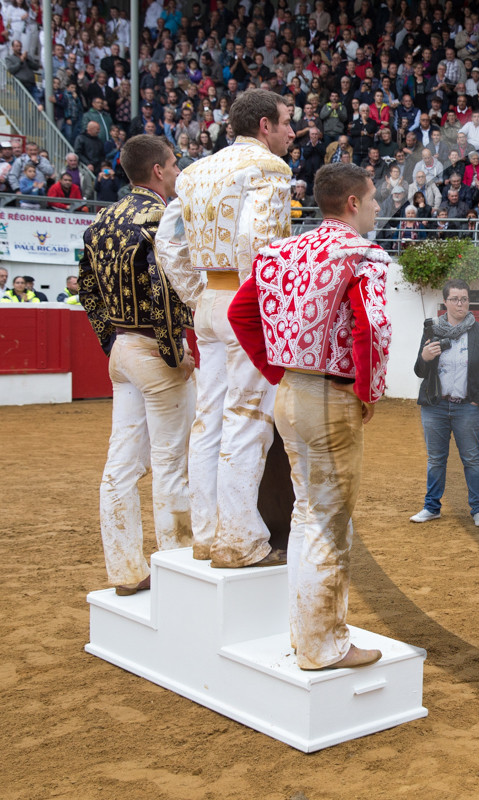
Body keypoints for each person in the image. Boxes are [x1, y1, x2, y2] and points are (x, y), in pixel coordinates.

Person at [227, 162, 392, 671]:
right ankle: (324, 645)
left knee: (305, 513)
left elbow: (239, 313)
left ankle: (306, 633)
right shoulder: (363, 254)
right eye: (372, 199)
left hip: (292, 396)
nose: (376, 207)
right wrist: (369, 392)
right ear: (351, 204)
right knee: (329, 522)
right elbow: (374, 328)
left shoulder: (279, 251)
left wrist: (278, 372)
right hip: (330, 397)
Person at [155, 88, 295, 567]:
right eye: (286, 122)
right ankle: (240, 539)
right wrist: (259, 304)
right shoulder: (271, 170)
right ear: (263, 126)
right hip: (244, 300)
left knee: (208, 417)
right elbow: (260, 240)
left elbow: (168, 244)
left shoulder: (193, 172)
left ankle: (207, 532)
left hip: (209, 303)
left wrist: (198, 294)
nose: (291, 132)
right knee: (248, 416)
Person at [77, 135, 194, 597]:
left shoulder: (101, 220)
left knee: (120, 467)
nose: (178, 170)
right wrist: (172, 351)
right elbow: (162, 289)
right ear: (159, 171)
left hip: (122, 352)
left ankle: (126, 572)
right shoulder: (159, 218)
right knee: (170, 463)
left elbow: (86, 288)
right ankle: (176, 567)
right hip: (155, 353)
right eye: (175, 163)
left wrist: (111, 338)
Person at [411, 280, 479, 527]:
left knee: (472, 459)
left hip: (466, 407)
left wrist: (477, 400)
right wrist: (425, 357)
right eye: (455, 299)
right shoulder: (432, 329)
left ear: (469, 301)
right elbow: (420, 371)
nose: (460, 303)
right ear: (446, 302)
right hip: (434, 405)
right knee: (436, 459)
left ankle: (478, 509)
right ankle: (432, 507)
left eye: (464, 299)